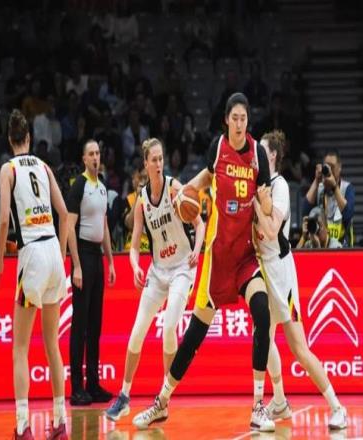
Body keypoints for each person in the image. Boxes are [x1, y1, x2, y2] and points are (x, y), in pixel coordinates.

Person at [132, 92, 275, 432]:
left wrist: (264, 202)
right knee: (194, 335)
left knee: (262, 313)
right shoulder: (218, 147)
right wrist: (186, 191)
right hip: (216, 257)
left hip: (245, 256)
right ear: (226, 120)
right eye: (234, 118)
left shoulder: (258, 155)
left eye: (243, 118)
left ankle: (258, 405)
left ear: (248, 121)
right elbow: (207, 177)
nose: (239, 123)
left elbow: (267, 207)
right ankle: (161, 401)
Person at [105, 138, 205, 420]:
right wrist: (135, 266)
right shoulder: (141, 201)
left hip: (182, 268)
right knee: (137, 332)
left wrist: (197, 250)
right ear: (145, 164)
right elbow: (134, 246)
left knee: (170, 326)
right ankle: (124, 396)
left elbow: (200, 224)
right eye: (154, 160)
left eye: (161, 159)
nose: (159, 164)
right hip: (158, 272)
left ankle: (163, 400)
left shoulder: (175, 189)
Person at [253, 130, 347, 430]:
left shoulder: (279, 186)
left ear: (272, 155)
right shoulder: (257, 185)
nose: (256, 155)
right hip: (262, 269)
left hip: (281, 272)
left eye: (261, 151)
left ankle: (337, 406)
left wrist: (255, 206)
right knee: (262, 337)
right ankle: (280, 400)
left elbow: (271, 231)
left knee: (299, 348)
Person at [0, 109, 69, 439]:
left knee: (20, 347)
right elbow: (64, 213)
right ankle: (60, 423)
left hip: (32, 255)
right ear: (28, 138)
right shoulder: (43, 166)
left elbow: (3, 221)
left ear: (10, 140)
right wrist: (62, 255)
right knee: (52, 344)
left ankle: (23, 426)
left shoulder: (8, 169)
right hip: (53, 250)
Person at [67, 140, 116, 406]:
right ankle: (77, 387)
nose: (96, 157)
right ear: (84, 159)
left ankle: (93, 385)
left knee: (95, 325)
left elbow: (104, 226)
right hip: (83, 256)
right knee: (80, 325)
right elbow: (69, 227)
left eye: (98, 153)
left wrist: (110, 261)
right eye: (91, 154)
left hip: (96, 257)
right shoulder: (79, 185)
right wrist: (75, 265)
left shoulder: (102, 186)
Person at [303, 150, 355, 247]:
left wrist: (334, 187)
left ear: (339, 168)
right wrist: (316, 180)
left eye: (332, 166)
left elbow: (348, 214)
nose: (329, 169)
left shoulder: (347, 188)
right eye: (327, 166)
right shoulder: (319, 188)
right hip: (322, 245)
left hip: (343, 247)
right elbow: (305, 211)